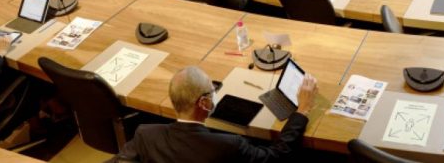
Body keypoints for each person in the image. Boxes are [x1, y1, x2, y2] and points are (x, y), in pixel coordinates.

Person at [115, 65, 317, 163]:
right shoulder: (229, 145)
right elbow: (276, 156)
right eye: (212, 90)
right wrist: (302, 111)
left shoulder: (145, 135)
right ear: (204, 103)